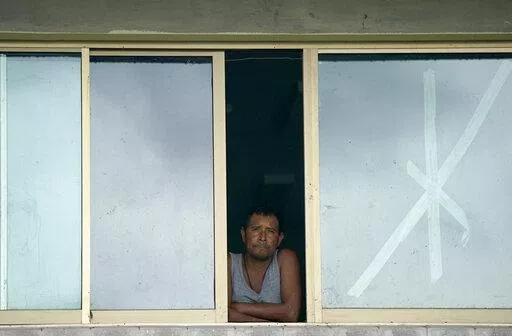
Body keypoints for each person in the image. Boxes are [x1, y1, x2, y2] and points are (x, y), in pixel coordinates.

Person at [228, 208, 301, 322]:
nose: (262, 238)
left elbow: (291, 313)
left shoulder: (285, 258)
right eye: (255, 229)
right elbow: (222, 314)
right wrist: (268, 328)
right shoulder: (229, 262)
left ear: (279, 239)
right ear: (243, 234)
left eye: (270, 231)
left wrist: (238, 307)